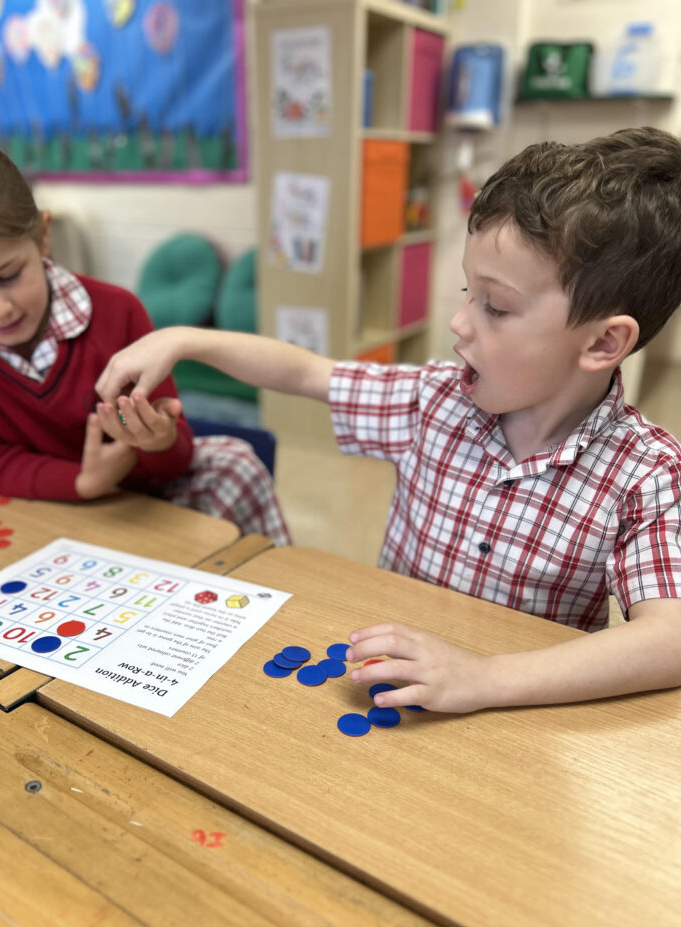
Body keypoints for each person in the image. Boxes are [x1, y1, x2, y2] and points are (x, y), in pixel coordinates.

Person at [96, 126, 681, 714]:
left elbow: (670, 640)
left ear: (604, 341)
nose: (458, 322)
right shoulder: (435, 400)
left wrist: (485, 679)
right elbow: (306, 374)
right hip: (387, 688)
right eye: (465, 291)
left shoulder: (646, 473)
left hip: (511, 721)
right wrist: (184, 338)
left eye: (496, 306)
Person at [0, 125, 290, 544]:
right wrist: (82, 482)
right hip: (46, 509)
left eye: (8, 276)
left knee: (235, 464)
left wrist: (159, 440)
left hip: (148, 498)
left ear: (42, 236)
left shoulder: (116, 312)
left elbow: (175, 458)